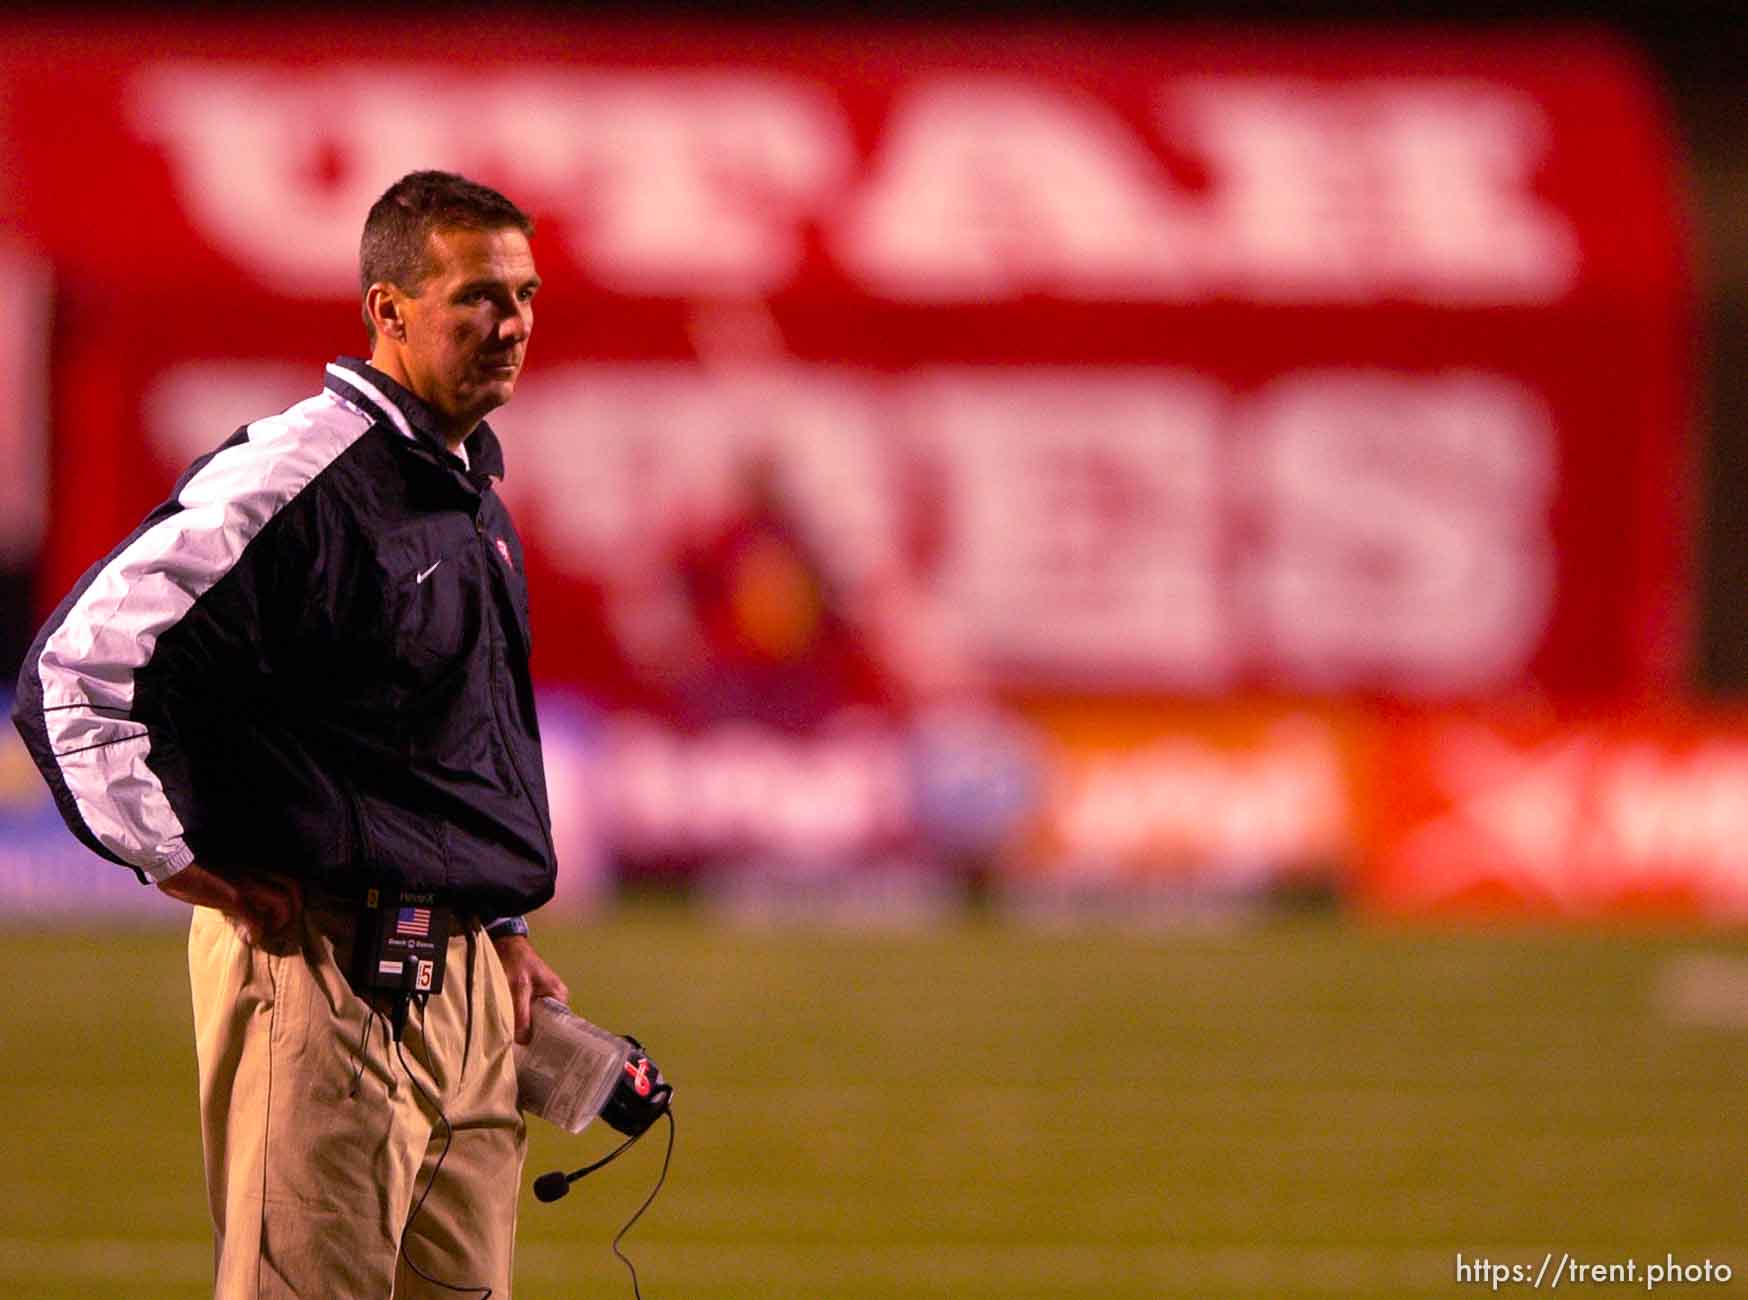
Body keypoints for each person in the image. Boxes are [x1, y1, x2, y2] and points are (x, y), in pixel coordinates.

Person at [13, 170, 573, 1297]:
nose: (509, 323)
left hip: (459, 982)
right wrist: (172, 856)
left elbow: (453, 734)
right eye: (476, 295)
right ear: (387, 309)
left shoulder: (463, 486)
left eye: (523, 295)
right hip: (322, 966)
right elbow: (77, 668)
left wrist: (498, 922)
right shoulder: (295, 474)